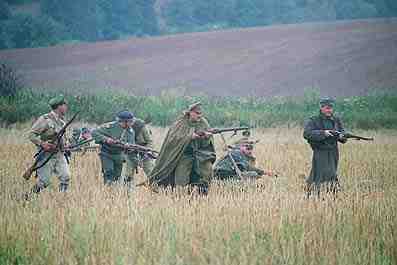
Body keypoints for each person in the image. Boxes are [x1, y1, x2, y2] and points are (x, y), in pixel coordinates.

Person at [148, 102, 216, 195]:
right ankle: (181, 199)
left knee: (207, 173)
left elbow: (206, 145)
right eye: (197, 113)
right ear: (190, 112)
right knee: (181, 180)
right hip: (184, 155)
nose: (199, 116)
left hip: (200, 155)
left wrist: (206, 138)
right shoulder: (180, 123)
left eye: (200, 113)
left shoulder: (203, 123)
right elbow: (173, 140)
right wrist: (189, 137)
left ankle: (201, 196)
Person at [303, 98, 347, 198]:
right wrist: (323, 133)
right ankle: (316, 193)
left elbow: (343, 135)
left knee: (332, 171)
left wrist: (342, 137)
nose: (329, 110)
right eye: (327, 108)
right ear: (321, 108)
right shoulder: (314, 120)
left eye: (331, 108)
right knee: (320, 173)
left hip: (333, 151)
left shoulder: (336, 120)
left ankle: (331, 195)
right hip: (320, 151)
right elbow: (307, 133)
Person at [27, 95, 71, 194]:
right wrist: (42, 144)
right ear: (59, 107)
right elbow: (31, 134)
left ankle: (62, 198)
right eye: (65, 105)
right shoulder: (45, 119)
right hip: (46, 155)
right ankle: (29, 197)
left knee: (66, 177)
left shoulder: (62, 122)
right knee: (44, 182)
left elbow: (63, 139)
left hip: (59, 154)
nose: (66, 108)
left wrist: (66, 146)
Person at [92, 110, 136, 185]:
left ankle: (114, 193)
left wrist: (128, 146)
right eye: (130, 121)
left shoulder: (131, 131)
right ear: (124, 121)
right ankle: (107, 191)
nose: (132, 123)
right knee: (109, 173)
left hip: (119, 155)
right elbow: (94, 132)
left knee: (117, 177)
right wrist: (106, 139)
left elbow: (132, 145)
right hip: (106, 154)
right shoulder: (110, 126)